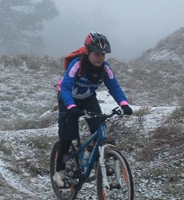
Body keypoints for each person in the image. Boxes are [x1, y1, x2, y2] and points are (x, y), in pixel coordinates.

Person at [53, 31, 133, 187]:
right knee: (67, 135)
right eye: (96, 54)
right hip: (67, 97)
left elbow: (114, 87)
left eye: (103, 54)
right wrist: (71, 106)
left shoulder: (105, 68)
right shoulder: (77, 65)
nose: (100, 58)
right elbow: (66, 88)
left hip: (88, 98)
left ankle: (98, 161)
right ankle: (59, 172)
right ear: (88, 52)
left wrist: (124, 104)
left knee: (99, 128)